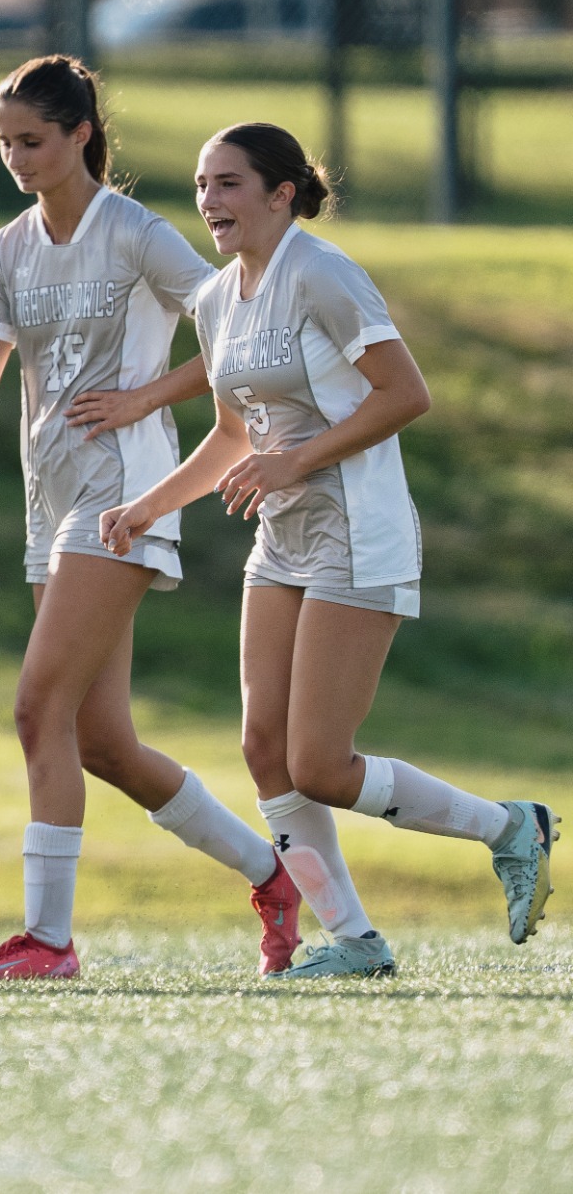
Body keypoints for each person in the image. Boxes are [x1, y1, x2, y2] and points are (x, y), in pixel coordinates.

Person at [0, 56, 301, 981]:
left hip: (122, 499)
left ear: (80, 135)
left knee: (37, 708)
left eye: (32, 140)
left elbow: (234, 330)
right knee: (101, 742)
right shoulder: (7, 250)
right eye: (4, 144)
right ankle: (274, 874)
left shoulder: (135, 232)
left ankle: (48, 941)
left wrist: (145, 397)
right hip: (50, 505)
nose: (17, 158)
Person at [100, 122, 558, 977]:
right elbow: (233, 434)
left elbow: (405, 393)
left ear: (282, 194)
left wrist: (296, 462)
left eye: (230, 184)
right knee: (263, 749)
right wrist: (148, 505)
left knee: (320, 762)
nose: (209, 202)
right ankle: (353, 939)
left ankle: (510, 827)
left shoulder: (324, 273)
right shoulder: (215, 299)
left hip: (360, 531)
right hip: (282, 543)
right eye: (202, 185)